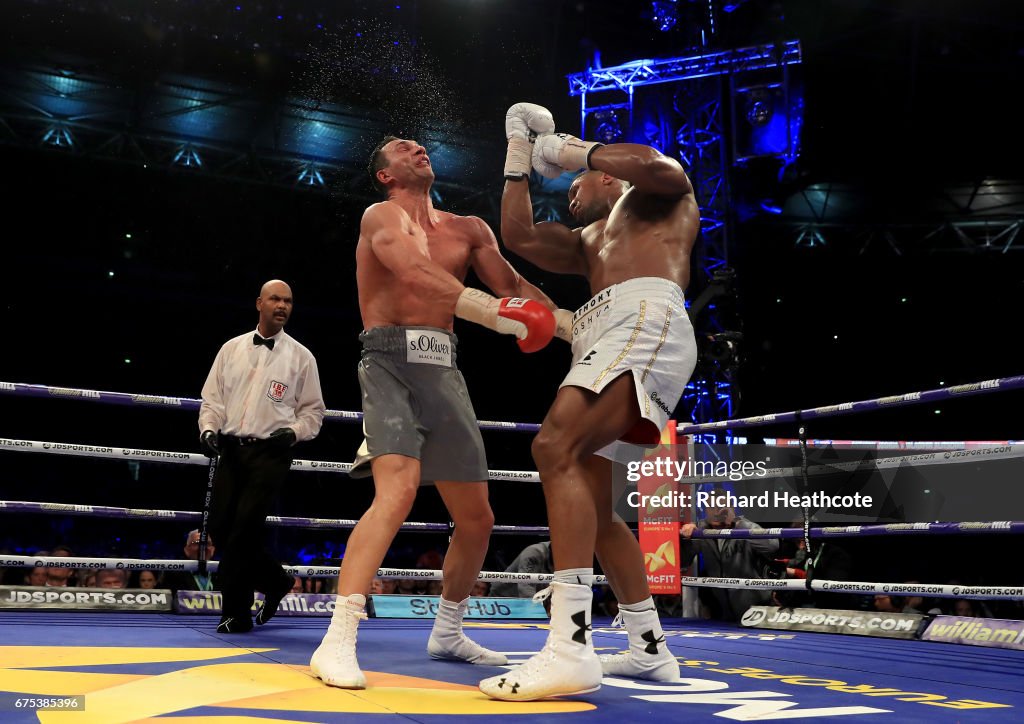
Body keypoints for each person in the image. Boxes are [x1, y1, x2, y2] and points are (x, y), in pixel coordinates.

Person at [310, 135, 558, 690]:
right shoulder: (381, 216)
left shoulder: (470, 228)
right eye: (401, 147)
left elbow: (514, 287)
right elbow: (416, 274)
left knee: (478, 518)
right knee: (396, 492)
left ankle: (448, 630)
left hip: (444, 368)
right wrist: (495, 314)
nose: (416, 146)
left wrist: (570, 324)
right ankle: (337, 639)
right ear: (385, 175)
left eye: (419, 143)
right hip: (388, 363)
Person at [479, 103, 700, 701]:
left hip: (642, 321)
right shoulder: (585, 244)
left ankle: (570, 647)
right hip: (607, 334)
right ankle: (649, 648)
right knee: (598, 512)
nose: (570, 193)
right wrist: (519, 159)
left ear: (606, 176)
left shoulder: (653, 196)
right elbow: (519, 236)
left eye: (577, 182)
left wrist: (569, 149)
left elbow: (657, 167)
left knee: (554, 445)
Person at [199, 279, 326, 634]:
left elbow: (313, 412)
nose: (282, 305)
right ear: (260, 303)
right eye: (275, 299)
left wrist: (294, 432)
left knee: (242, 532)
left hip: (271, 453)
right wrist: (208, 429)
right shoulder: (231, 349)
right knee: (222, 529)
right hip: (231, 450)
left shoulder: (302, 358)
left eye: (288, 300)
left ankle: (236, 613)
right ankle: (276, 581)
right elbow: (213, 399)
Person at [679, 490, 780, 622]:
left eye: (721, 507)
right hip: (724, 615)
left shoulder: (744, 526)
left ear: (731, 508)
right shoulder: (701, 531)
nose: (717, 512)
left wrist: (738, 524)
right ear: (705, 511)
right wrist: (685, 540)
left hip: (758, 611)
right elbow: (682, 562)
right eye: (712, 507)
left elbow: (772, 545)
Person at [489, 540, 554, 599]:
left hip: (535, 599)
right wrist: (537, 609)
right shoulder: (533, 553)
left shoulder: (560, 556)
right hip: (503, 598)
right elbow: (526, 587)